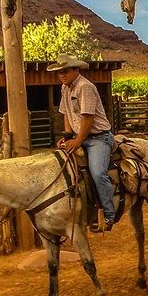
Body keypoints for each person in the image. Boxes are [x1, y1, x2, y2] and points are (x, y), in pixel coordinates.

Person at [47, 56, 117, 230]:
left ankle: (109, 214)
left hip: (97, 138)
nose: (61, 75)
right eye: (59, 72)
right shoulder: (65, 88)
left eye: (65, 71)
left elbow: (88, 117)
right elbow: (66, 113)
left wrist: (77, 141)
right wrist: (67, 136)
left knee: (98, 173)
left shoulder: (85, 87)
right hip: (81, 137)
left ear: (76, 70)